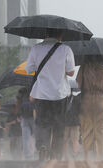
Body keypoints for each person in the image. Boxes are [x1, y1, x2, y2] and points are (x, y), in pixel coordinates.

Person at [26, 29, 75, 160]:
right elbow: (71, 72)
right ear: (61, 35)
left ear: (46, 34)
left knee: (42, 123)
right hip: (60, 94)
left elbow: (29, 69)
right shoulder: (66, 49)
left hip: (41, 94)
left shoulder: (36, 49)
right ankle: (56, 156)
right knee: (59, 126)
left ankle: (42, 146)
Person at [76, 56, 103, 160]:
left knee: (87, 128)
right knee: (101, 129)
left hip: (86, 100)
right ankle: (100, 156)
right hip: (100, 100)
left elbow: (79, 84)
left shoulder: (83, 68)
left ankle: (86, 157)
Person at [16, 88, 35, 160]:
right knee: (28, 138)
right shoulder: (22, 92)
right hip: (27, 117)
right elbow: (17, 104)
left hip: (30, 117)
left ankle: (29, 156)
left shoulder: (22, 92)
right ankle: (30, 156)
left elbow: (17, 104)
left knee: (27, 138)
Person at [63, 92, 81, 160]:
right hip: (66, 122)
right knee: (65, 140)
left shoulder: (77, 99)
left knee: (75, 139)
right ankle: (65, 155)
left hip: (74, 122)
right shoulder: (64, 99)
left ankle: (75, 154)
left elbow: (80, 110)